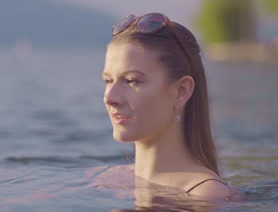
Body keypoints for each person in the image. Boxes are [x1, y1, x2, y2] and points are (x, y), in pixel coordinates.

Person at [99, 12, 243, 203]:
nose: (110, 98)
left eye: (132, 80)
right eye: (108, 80)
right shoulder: (111, 178)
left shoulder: (206, 195)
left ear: (181, 91)